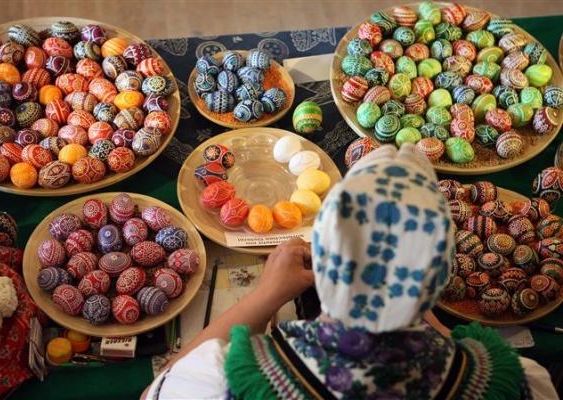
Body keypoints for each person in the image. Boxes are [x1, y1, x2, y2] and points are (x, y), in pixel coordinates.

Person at [142, 143, 558, 399]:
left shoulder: (234, 379)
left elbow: (154, 394)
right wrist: (407, 296)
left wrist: (264, 295)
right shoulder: (506, 380)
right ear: (436, 275)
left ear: (320, 256)